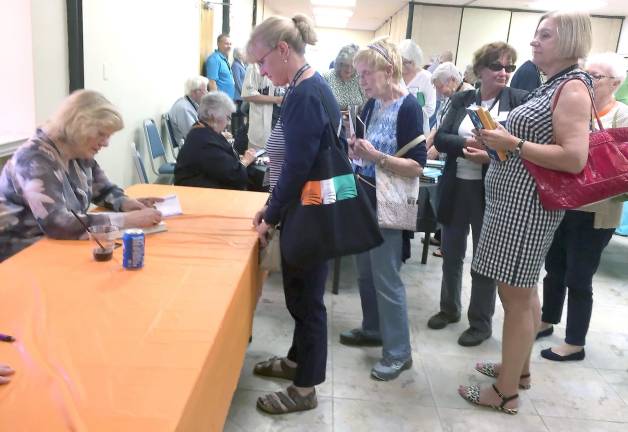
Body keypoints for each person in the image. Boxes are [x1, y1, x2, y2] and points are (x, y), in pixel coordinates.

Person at [458, 11, 594, 414]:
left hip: (526, 208)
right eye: (536, 35)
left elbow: (573, 157)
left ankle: (505, 393)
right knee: (525, 293)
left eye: (545, 36)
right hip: (514, 201)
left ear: (568, 41)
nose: (534, 43)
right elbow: (537, 147)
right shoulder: (550, 84)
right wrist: (498, 149)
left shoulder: (571, 89)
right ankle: (518, 371)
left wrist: (512, 143)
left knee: (514, 297)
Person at [246, 14, 340, 414]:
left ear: (283, 50)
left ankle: (305, 389)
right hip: (314, 205)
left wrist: (271, 211)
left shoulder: (305, 94)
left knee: (306, 301)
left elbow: (296, 167)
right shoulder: (310, 87)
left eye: (263, 63)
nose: (263, 72)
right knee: (301, 297)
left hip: (311, 209)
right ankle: (295, 362)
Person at [428, 42, 528, 347]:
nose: (504, 73)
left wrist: (491, 153)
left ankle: (480, 323)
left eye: (509, 67)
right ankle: (449, 308)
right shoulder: (462, 99)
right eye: (497, 66)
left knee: (484, 261)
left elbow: (522, 147)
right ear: (481, 69)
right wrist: (466, 147)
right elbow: (442, 138)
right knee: (451, 253)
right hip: (457, 187)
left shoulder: (519, 100)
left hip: (492, 192)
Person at [339, 38, 426, 381]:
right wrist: (356, 149)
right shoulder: (370, 106)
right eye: (359, 75)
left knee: (386, 277)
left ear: (388, 71)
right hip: (365, 196)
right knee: (364, 271)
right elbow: (365, 151)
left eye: (366, 74)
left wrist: (376, 157)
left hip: (388, 201)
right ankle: (373, 328)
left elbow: (417, 166)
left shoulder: (408, 108)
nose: (361, 81)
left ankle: (399, 352)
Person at [537, 51, 628, 361]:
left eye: (596, 76)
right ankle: (547, 319)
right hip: (565, 202)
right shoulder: (577, 107)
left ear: (615, 82)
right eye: (586, 74)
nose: (588, 81)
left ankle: (575, 341)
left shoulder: (622, 115)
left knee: (579, 275)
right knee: (554, 268)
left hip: (597, 212)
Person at [0, 90, 163, 262]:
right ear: (79, 126)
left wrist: (126, 203)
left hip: (58, 246)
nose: (106, 143)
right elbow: (57, 224)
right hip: (22, 254)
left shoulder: (78, 152)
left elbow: (103, 190)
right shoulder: (34, 159)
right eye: (101, 134)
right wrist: (127, 220)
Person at [174, 91, 256, 190]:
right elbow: (235, 176)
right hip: (200, 196)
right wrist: (245, 160)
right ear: (214, 115)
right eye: (228, 118)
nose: (228, 123)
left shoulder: (201, 130)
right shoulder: (205, 141)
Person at [399, 39, 436, 136]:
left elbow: (430, 108)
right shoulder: (396, 76)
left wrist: (410, 114)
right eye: (400, 61)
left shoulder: (426, 78)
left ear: (416, 60)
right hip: (397, 128)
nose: (403, 65)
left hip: (418, 130)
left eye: (407, 62)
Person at [241, 63, 283, 150]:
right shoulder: (254, 67)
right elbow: (247, 95)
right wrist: (277, 99)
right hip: (260, 130)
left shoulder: (286, 65)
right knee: (258, 160)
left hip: (281, 128)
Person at [322, 44, 366, 111]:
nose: (349, 70)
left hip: (356, 119)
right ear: (340, 63)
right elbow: (321, 105)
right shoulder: (327, 76)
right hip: (334, 120)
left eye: (353, 66)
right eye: (346, 65)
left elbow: (365, 103)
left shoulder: (359, 77)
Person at [168, 76, 209, 146]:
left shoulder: (190, 104)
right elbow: (194, 136)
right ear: (195, 92)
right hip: (190, 149)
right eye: (205, 91)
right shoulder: (184, 109)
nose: (207, 93)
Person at [205, 33, 235, 99]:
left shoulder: (224, 59)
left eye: (230, 44)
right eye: (226, 44)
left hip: (227, 100)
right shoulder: (214, 59)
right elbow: (212, 82)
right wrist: (217, 102)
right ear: (218, 44)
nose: (229, 46)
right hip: (220, 102)